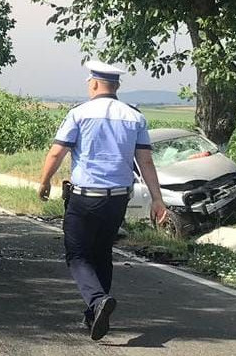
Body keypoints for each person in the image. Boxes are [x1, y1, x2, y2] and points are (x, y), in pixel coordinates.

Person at [38, 60, 167, 341]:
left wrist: (45, 181)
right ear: (116, 86)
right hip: (117, 200)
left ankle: (97, 301)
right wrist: (157, 199)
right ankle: (93, 315)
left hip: (84, 198)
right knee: (102, 253)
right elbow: (145, 161)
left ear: (94, 84)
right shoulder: (134, 116)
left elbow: (56, 153)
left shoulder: (79, 114)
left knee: (77, 254)